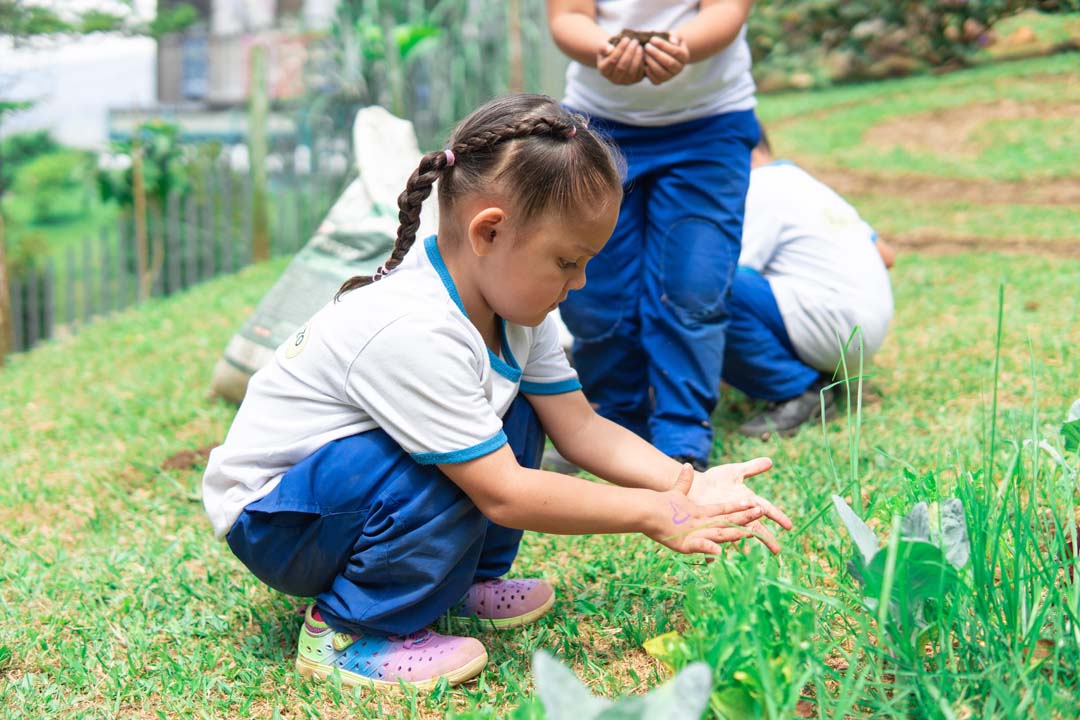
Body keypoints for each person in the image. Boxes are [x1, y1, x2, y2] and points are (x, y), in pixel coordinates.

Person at [202, 95, 792, 692]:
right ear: (490, 231)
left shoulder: (515, 310)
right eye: (566, 260)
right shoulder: (413, 329)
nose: (580, 282)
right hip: (280, 521)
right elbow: (505, 495)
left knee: (521, 415)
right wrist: (652, 514)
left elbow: (581, 428)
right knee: (457, 463)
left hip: (343, 494)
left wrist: (683, 484)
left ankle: (452, 584)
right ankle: (352, 628)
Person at [546, 0, 760, 471]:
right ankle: (612, 427)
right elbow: (567, 18)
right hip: (597, 126)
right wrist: (606, 49)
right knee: (594, 291)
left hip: (709, 126)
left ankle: (681, 439)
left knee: (692, 287)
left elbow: (727, 11)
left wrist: (681, 47)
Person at [723, 129, 896, 438]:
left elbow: (727, 278)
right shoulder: (806, 184)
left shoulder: (757, 187)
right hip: (863, 334)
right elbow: (886, 254)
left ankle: (796, 390)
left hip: (830, 329)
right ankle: (814, 372)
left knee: (708, 285)